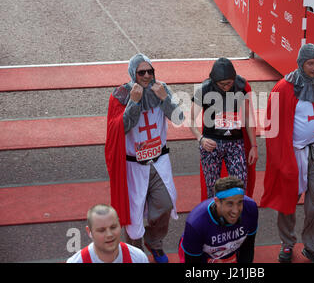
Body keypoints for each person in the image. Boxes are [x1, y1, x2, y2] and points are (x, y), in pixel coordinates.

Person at [260, 43, 314, 263]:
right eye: (310, 63)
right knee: (288, 201)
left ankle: (312, 246)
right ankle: (287, 244)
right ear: (300, 64)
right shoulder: (283, 88)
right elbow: (272, 127)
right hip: (292, 152)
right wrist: (278, 160)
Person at [105, 53, 184, 263]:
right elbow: (119, 128)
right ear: (133, 73)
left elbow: (179, 118)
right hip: (133, 165)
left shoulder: (162, 88)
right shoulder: (121, 95)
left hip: (159, 161)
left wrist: (164, 99)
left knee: (166, 204)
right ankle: (135, 254)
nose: (147, 76)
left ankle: (154, 241)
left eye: (150, 71)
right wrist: (134, 102)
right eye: (142, 72)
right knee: (133, 213)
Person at [189, 57, 258, 199]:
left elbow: (248, 118)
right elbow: (190, 120)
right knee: (212, 189)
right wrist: (200, 138)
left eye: (229, 83)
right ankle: (214, 219)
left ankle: (237, 219)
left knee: (240, 185)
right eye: (222, 84)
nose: (226, 87)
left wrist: (254, 146)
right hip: (211, 143)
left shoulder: (240, 86)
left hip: (235, 143)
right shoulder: (204, 89)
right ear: (214, 81)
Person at [178, 176, 258, 263]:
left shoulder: (250, 208)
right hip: (201, 255)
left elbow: (247, 248)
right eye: (229, 204)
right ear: (217, 202)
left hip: (225, 253)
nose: (236, 211)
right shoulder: (196, 223)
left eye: (240, 202)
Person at [66, 204, 149, 263]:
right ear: (89, 231)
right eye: (101, 230)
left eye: (113, 227)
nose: (109, 234)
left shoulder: (138, 258)